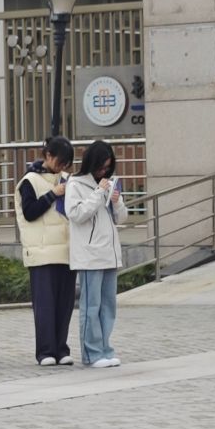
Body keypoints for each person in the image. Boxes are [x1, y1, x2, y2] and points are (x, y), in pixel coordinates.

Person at [66, 142, 127, 369]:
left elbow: (121, 218)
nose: (104, 171)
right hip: (89, 255)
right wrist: (99, 193)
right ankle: (92, 353)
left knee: (108, 306)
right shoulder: (76, 184)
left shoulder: (107, 183)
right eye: (101, 166)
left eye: (108, 167)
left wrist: (116, 201)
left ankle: (105, 349)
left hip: (109, 254)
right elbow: (76, 214)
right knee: (91, 306)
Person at [16, 136, 76, 366]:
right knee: (45, 306)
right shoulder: (29, 180)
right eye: (60, 162)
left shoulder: (67, 179)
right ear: (48, 156)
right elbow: (29, 212)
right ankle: (45, 351)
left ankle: (61, 349)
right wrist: (53, 194)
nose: (62, 168)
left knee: (64, 304)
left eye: (66, 164)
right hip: (41, 253)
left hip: (66, 251)